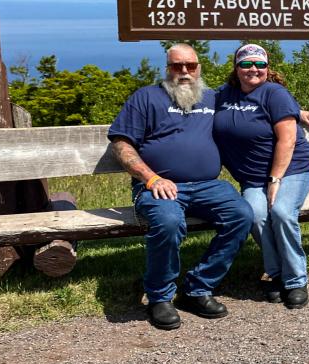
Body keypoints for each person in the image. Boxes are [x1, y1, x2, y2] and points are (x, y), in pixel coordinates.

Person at [109, 44, 254, 331]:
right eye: (177, 66)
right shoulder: (146, 97)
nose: (184, 71)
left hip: (208, 185)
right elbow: (121, 144)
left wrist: (294, 111)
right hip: (157, 186)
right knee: (168, 222)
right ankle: (160, 297)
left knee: (242, 215)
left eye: (191, 65)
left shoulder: (213, 97)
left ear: (199, 67)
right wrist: (151, 178)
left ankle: (197, 288)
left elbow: (257, 103)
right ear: (167, 68)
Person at [213, 44, 309, 310]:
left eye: (260, 64)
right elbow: (196, 109)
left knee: (282, 212)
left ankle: (296, 280)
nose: (253, 69)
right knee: (255, 215)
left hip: (293, 169)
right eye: (246, 63)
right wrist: (297, 111)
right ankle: (277, 274)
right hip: (252, 176)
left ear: (267, 68)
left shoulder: (274, 92)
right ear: (236, 68)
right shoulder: (223, 95)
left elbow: (287, 140)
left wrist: (275, 180)